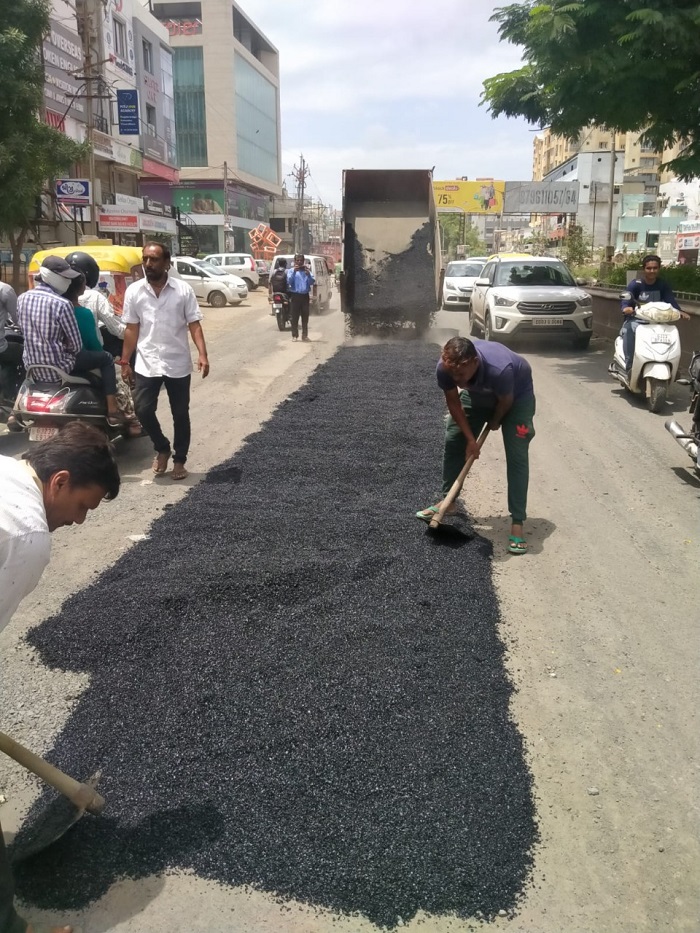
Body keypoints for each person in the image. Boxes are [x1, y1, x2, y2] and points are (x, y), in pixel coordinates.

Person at [0, 421, 120, 933]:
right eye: (83, 507)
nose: (79, 521)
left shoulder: (4, 470)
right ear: (60, 481)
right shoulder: (25, 534)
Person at [416, 336, 536, 555]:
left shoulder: (500, 369)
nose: (457, 380)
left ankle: (517, 521)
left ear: (474, 362)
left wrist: (495, 421)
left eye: (461, 375)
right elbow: (454, 402)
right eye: (452, 374)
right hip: (479, 394)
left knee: (516, 454)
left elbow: (505, 402)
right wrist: (471, 440)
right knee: (454, 437)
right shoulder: (445, 368)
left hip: (516, 398)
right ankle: (448, 501)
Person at [120, 242, 210, 481]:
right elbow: (131, 328)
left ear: (167, 262)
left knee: (180, 413)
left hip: (177, 361)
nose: (148, 264)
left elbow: (194, 324)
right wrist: (125, 361)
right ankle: (161, 447)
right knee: (142, 409)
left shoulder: (183, 290)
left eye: (154, 259)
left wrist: (202, 354)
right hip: (147, 361)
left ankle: (180, 460)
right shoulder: (134, 291)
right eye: (145, 259)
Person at [17, 257, 124, 426]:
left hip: (32, 367)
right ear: (52, 276)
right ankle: (112, 410)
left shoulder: (22, 298)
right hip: (62, 367)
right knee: (107, 359)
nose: (67, 281)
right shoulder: (62, 304)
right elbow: (76, 346)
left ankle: (14, 413)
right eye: (65, 277)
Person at [620, 254, 690, 370]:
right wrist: (626, 308)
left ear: (659, 269)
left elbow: (670, 301)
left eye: (655, 268)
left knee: (671, 332)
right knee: (629, 330)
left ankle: (670, 364)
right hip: (637, 320)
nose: (652, 271)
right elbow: (626, 299)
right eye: (649, 268)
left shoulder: (662, 284)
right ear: (644, 269)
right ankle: (630, 366)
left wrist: (679, 311)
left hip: (657, 320)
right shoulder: (636, 284)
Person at [286, 253, 316, 341]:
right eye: (297, 260)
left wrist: (308, 275)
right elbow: (289, 281)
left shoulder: (307, 271)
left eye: (301, 260)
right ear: (294, 261)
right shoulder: (291, 271)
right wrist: (294, 272)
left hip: (305, 297)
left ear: (303, 261)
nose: (299, 262)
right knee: (294, 317)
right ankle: (294, 335)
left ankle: (304, 335)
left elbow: (312, 282)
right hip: (295, 296)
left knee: (305, 317)